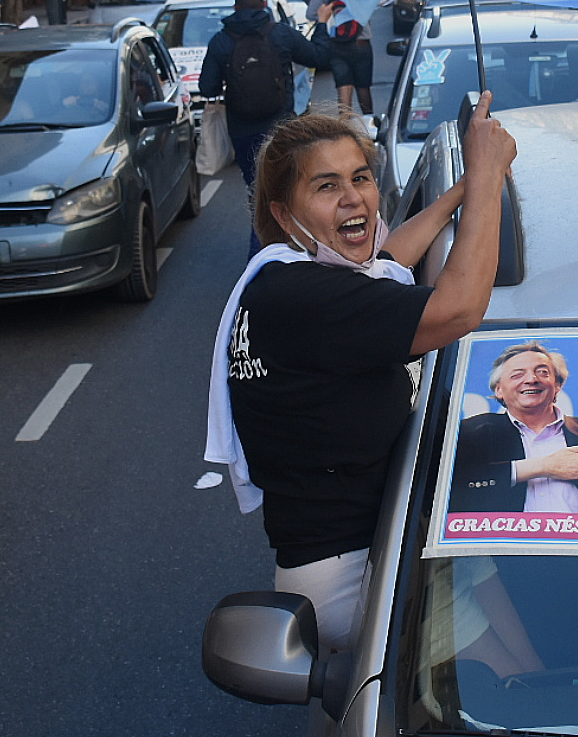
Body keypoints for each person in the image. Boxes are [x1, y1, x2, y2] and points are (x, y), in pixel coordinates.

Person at [204, 99, 519, 656]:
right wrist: (490, 175)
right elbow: (458, 311)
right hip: (357, 577)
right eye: (326, 186)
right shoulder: (307, 300)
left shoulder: (286, 280)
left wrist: (461, 190)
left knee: (519, 644)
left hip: (391, 531)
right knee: (508, 691)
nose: (353, 198)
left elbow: (391, 259)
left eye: (361, 178)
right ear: (283, 215)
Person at [197, 0, 333, 246]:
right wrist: (321, 23)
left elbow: (207, 86)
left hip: (243, 131)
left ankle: (261, 255)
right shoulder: (280, 34)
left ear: (235, 6)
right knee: (284, 190)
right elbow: (319, 57)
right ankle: (294, 250)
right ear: (263, 4)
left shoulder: (221, 41)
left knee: (258, 192)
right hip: (281, 129)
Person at [450, 341, 578, 514]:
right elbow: (452, 485)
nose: (531, 379)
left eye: (542, 372)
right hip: (504, 548)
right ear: (498, 390)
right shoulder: (467, 434)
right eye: (517, 374)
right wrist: (545, 466)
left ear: (557, 385)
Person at [321, 0, 376, 117]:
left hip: (337, 44)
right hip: (361, 43)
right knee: (363, 87)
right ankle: (369, 121)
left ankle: (345, 124)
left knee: (343, 86)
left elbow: (310, 14)